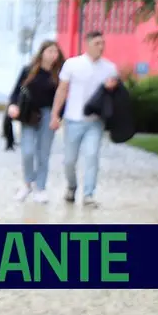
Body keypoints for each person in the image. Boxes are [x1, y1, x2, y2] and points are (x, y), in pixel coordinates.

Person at [49, 30, 119, 206]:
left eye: (103, 43)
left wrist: (113, 88)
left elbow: (116, 95)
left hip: (95, 121)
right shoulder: (72, 64)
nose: (101, 47)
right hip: (73, 120)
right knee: (69, 160)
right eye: (97, 43)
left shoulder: (109, 68)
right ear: (87, 44)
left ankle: (89, 194)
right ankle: (71, 186)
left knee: (92, 155)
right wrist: (55, 114)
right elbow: (62, 90)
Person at [6, 40, 64, 203]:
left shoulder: (59, 73)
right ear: (42, 53)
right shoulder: (28, 70)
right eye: (50, 51)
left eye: (55, 52)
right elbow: (17, 91)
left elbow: (63, 96)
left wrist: (58, 116)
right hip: (29, 115)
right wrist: (13, 105)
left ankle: (40, 187)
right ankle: (27, 183)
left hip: (48, 114)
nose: (53, 55)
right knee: (28, 151)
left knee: (43, 153)